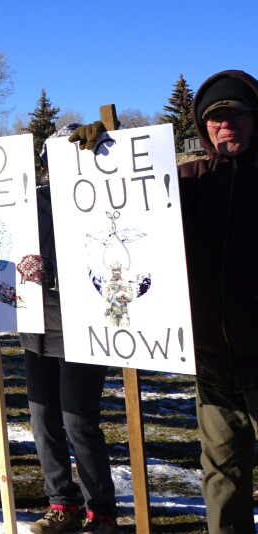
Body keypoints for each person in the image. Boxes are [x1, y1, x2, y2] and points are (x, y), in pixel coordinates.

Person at [74, 70, 258, 533]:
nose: (225, 125)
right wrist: (104, 152)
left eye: (236, 114)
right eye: (215, 118)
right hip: (213, 368)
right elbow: (127, 198)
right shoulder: (187, 180)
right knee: (222, 479)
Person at [21, 123, 119, 534]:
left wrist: (111, 143)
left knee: (78, 422)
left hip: (82, 327)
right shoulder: (32, 201)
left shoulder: (100, 194)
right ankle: (63, 503)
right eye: (52, 161)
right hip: (35, 326)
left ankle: (102, 512)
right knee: (43, 422)